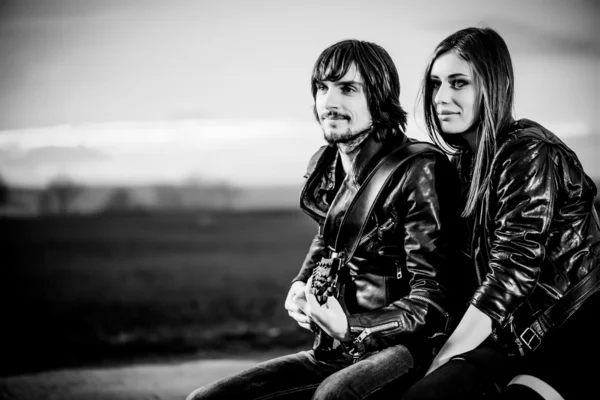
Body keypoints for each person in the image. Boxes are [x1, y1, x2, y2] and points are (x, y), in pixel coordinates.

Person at [186, 39, 468, 400]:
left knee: (333, 397)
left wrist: (351, 326)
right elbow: (330, 238)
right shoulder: (325, 164)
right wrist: (301, 282)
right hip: (333, 350)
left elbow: (431, 301)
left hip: (405, 349)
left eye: (348, 89)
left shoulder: (419, 168)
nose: (329, 103)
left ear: (379, 99)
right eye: (322, 88)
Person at [401, 27, 600, 400]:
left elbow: (512, 272)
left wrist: (442, 358)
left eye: (458, 83)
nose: (441, 98)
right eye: (435, 84)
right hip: (510, 333)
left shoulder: (527, 153)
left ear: (492, 86)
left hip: (570, 329)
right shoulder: (460, 166)